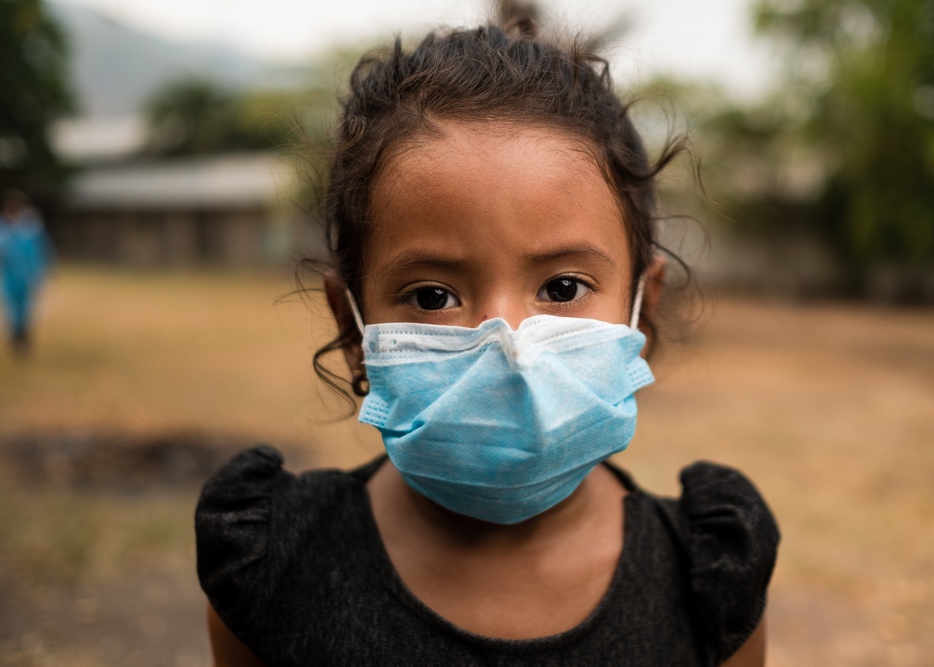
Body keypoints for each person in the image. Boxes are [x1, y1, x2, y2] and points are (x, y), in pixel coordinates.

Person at [196, 21, 779, 666]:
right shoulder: (273, 563)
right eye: (432, 296)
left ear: (641, 314)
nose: (509, 344)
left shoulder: (709, 577)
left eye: (562, 287)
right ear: (353, 328)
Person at [0, 189, 53, 356]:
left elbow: (41, 252)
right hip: (8, 276)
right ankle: (15, 337)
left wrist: (41, 274)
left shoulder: (30, 229)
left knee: (27, 310)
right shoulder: (4, 230)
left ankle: (23, 338)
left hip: (27, 276)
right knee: (11, 310)